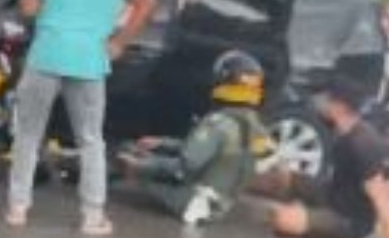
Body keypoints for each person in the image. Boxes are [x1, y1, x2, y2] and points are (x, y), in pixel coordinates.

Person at [7, 0, 156, 235]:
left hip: (46, 55)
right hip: (89, 61)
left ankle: (18, 208)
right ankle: (92, 216)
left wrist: (54, 7)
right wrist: (119, 42)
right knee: (90, 140)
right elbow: (146, 1)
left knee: (29, 134)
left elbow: (29, 8)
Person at [245, 75, 389, 238]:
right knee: (279, 178)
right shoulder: (339, 128)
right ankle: (224, 185)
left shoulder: (362, 144)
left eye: (326, 97)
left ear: (339, 106)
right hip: (331, 192)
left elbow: (382, 198)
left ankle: (308, 216)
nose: (319, 101)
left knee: (283, 219)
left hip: (348, 217)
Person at [115, 50, 276, 225]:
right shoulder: (254, 125)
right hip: (219, 205)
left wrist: (142, 165)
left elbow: (185, 166)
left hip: (193, 203)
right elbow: (215, 151)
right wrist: (162, 143)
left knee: (127, 153)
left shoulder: (217, 122)